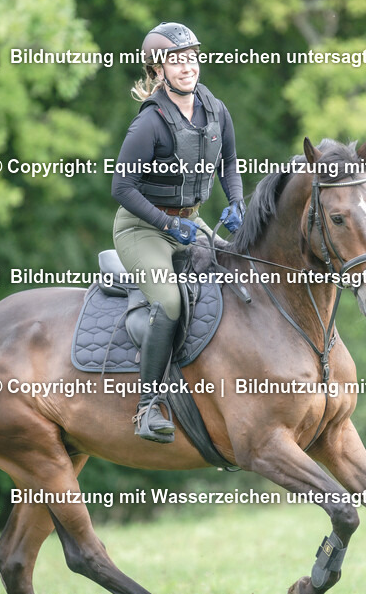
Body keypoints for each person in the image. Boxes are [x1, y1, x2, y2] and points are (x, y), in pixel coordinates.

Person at [111, 22, 245, 443]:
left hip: (192, 220)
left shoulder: (214, 108)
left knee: (242, 269)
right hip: (143, 228)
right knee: (168, 300)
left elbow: (229, 162)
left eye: (191, 58)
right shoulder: (149, 124)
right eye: (177, 60)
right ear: (157, 69)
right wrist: (169, 224)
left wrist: (237, 201)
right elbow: (121, 187)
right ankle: (148, 406)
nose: (187, 67)